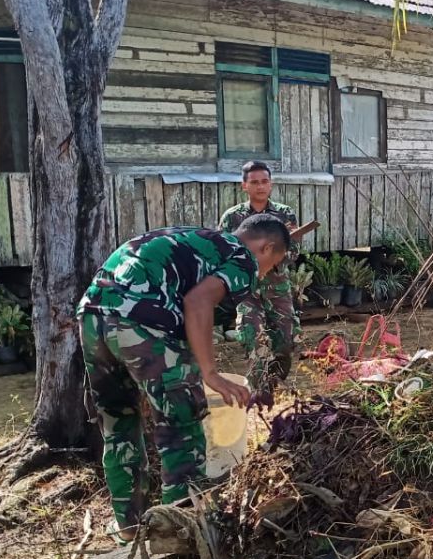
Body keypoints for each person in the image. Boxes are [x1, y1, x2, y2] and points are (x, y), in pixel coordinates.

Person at [77, 215, 289, 540]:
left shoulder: (198, 242)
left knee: (119, 426)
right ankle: (178, 534)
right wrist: (210, 373)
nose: (264, 273)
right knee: (182, 428)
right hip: (143, 320)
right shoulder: (242, 256)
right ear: (267, 247)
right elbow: (197, 302)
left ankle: (130, 528)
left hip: (92, 317)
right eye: (272, 263)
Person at [219, 161, 300, 394]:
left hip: (277, 285)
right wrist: (249, 264)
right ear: (244, 185)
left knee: (285, 339)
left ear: (271, 184)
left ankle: (276, 380)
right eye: (254, 182)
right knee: (251, 335)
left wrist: (272, 258)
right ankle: (258, 390)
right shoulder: (232, 218)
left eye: (264, 181)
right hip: (247, 289)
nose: (260, 187)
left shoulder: (284, 214)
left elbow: (293, 251)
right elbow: (225, 251)